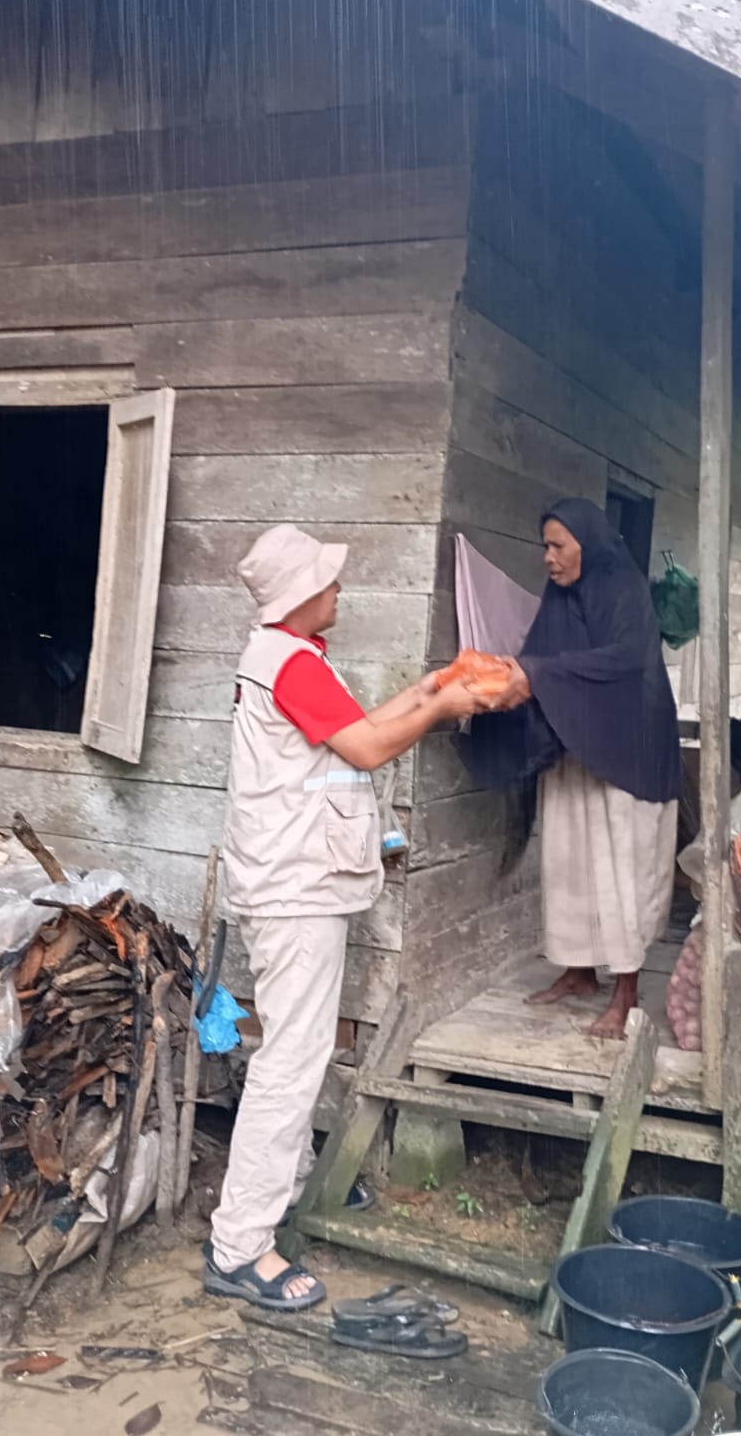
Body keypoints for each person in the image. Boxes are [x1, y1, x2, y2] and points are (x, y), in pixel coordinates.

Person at [205, 523, 484, 1311]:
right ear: (300, 599)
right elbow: (366, 750)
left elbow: (352, 727)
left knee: (294, 1050)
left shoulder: (290, 660)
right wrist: (441, 709)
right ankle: (240, 1246)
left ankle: (283, 1190)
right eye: (327, 581)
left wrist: (430, 689)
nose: (338, 590)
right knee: (289, 1063)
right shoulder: (291, 664)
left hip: (291, 883)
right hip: (293, 891)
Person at [462, 498, 680, 1040]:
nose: (548, 558)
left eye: (558, 546)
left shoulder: (624, 590)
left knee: (618, 867)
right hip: (576, 745)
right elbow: (538, 656)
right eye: (545, 546)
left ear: (589, 543)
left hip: (627, 752)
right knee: (571, 862)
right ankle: (580, 971)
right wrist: (508, 683)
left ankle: (626, 990)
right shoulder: (560, 599)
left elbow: (626, 661)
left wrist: (535, 675)